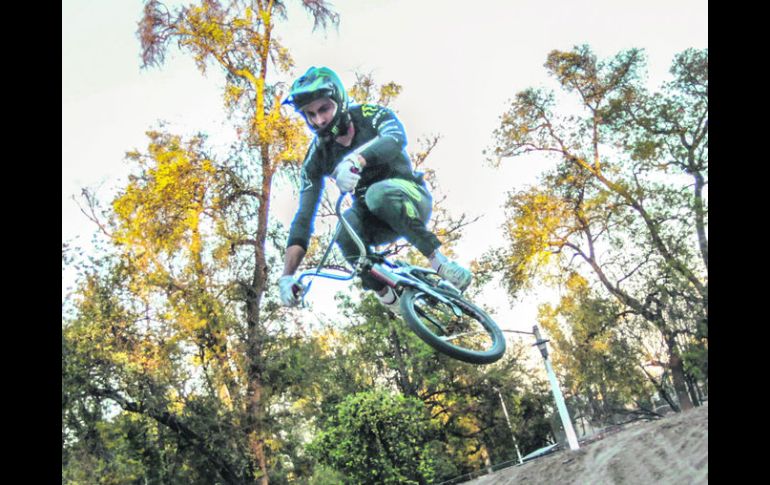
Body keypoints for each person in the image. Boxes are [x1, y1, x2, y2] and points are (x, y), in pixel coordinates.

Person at [278, 66, 472, 313]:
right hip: (373, 220)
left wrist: (357, 160)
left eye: (324, 109)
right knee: (344, 232)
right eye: (310, 114)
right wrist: (287, 275)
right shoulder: (316, 158)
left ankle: (441, 263)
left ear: (338, 100)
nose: (319, 120)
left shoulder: (369, 115)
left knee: (377, 194)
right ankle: (390, 299)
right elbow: (304, 217)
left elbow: (395, 138)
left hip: (410, 197)